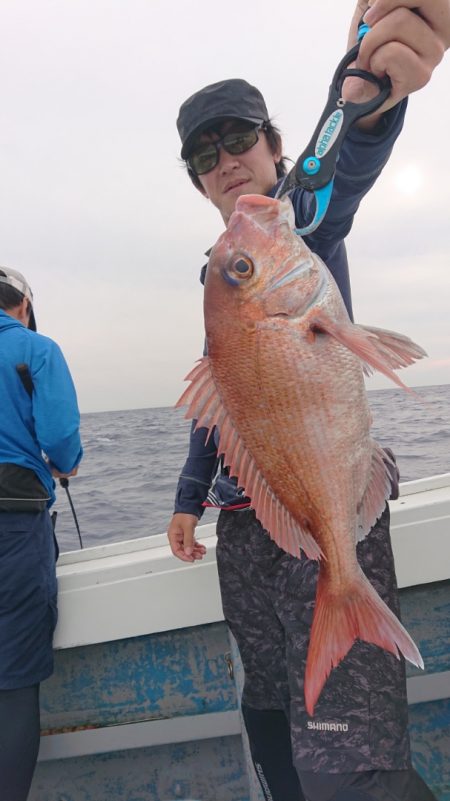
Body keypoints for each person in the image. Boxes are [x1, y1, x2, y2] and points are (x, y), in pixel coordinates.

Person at [167, 2, 450, 800]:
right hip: (245, 529)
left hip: (324, 499)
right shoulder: (225, 275)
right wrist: (190, 496)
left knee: (349, 763)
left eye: (239, 138)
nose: (225, 161)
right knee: (272, 727)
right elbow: (220, 391)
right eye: (204, 155)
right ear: (196, 180)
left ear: (274, 148)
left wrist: (364, 86)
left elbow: (337, 165)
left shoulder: (296, 230)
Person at [0, 266, 83, 801]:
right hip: (13, 524)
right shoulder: (36, 350)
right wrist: (65, 463)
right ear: (24, 306)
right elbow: (60, 440)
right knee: (12, 681)